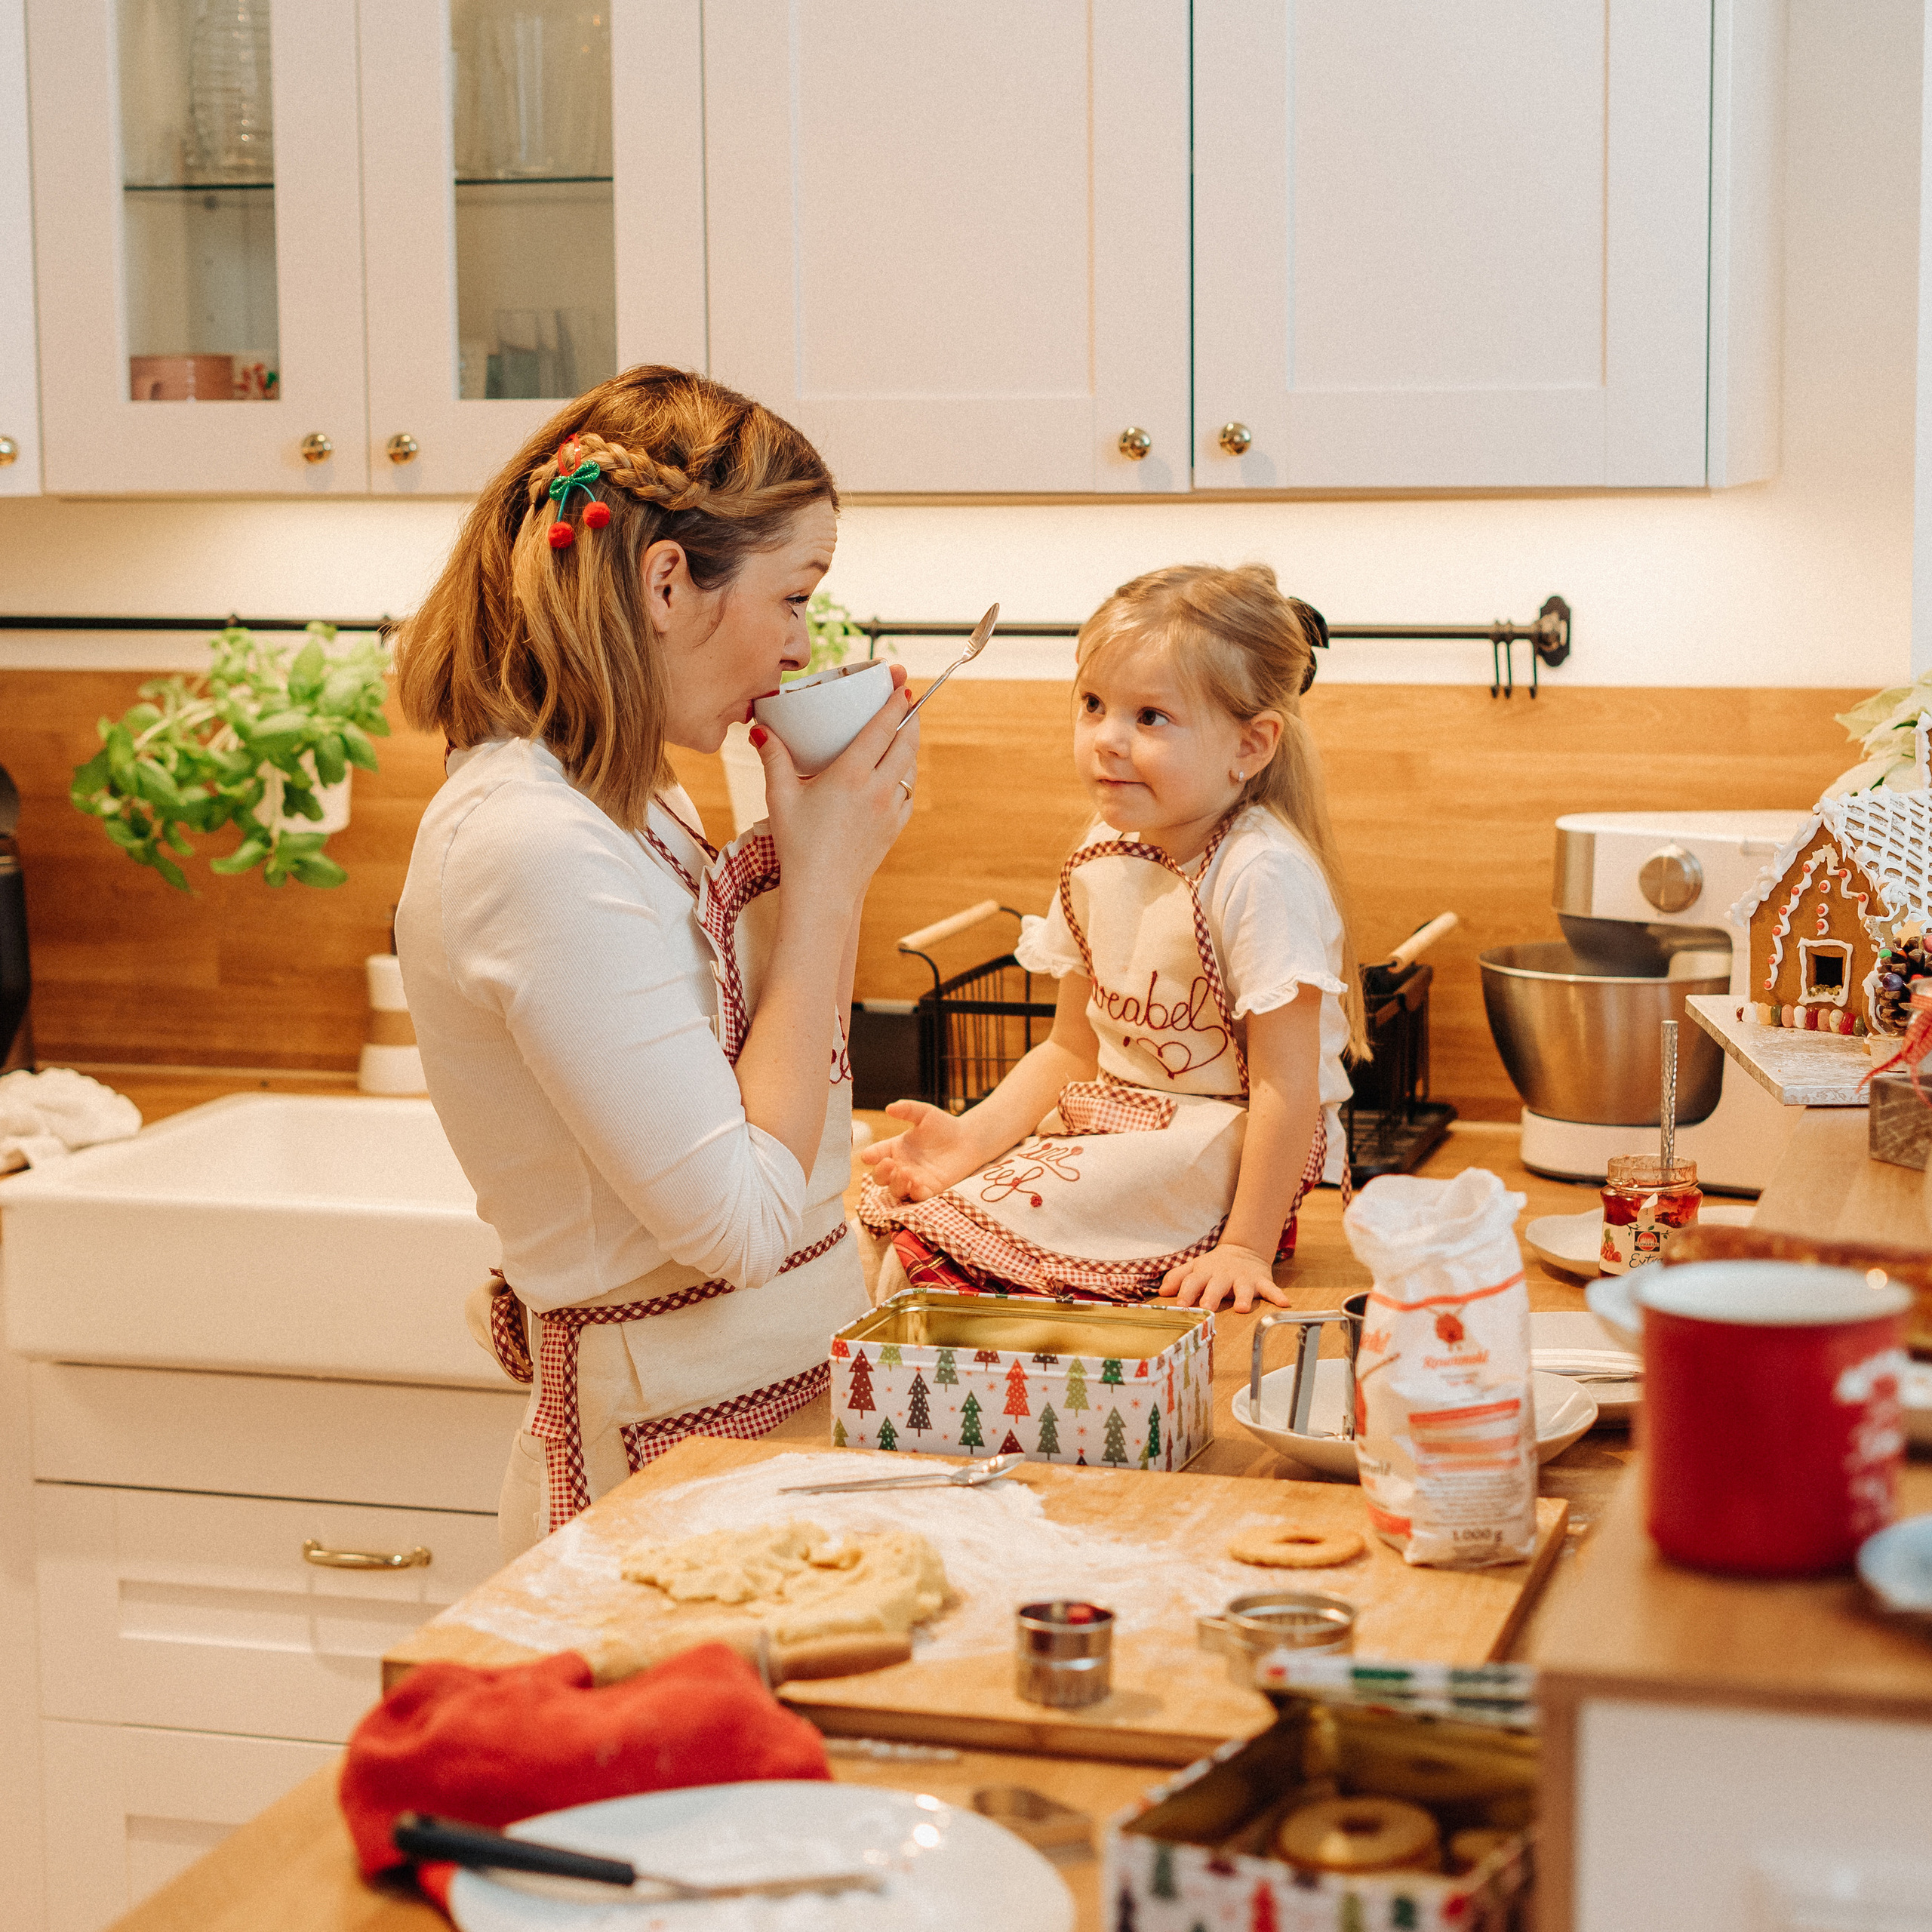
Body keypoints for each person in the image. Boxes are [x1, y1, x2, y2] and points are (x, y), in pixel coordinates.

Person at [392, 367, 918, 1558]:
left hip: (755, 1411)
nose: (797, 646)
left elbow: (747, 1085)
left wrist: (812, 852)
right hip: (666, 1465)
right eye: (793, 598)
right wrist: (828, 881)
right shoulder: (530, 843)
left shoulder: (636, 791)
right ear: (669, 581)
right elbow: (736, 1224)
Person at [859, 562, 1364, 1315]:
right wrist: (972, 1140)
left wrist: (1244, 1245)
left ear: (1251, 745)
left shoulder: (1262, 874)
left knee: (954, 1259)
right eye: (1094, 704)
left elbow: (1285, 1092)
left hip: (1224, 1145)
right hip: (1121, 1130)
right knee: (906, 1227)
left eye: (1150, 717)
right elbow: (1072, 1049)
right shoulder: (1103, 849)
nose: (1106, 738)